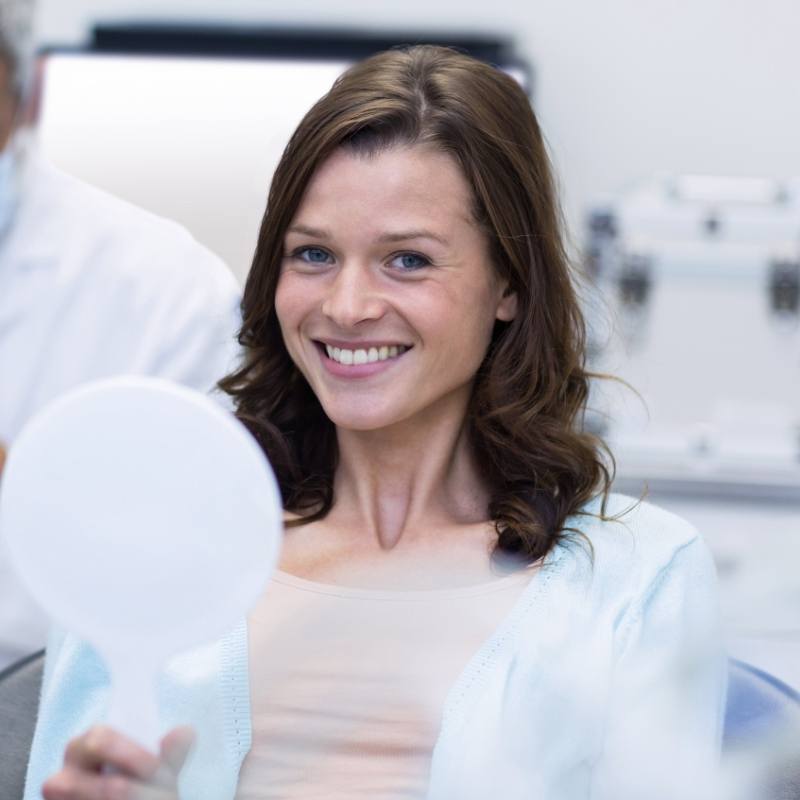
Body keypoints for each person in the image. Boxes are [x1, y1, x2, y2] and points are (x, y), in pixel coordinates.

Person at [26, 46, 726, 800]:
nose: (348, 306)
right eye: (315, 254)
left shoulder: (641, 582)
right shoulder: (147, 553)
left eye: (408, 261)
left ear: (509, 287)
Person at [0, 4, 243, 670]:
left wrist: (31, 482)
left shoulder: (169, 293)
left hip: (47, 697)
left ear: (27, 96)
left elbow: (201, 569)